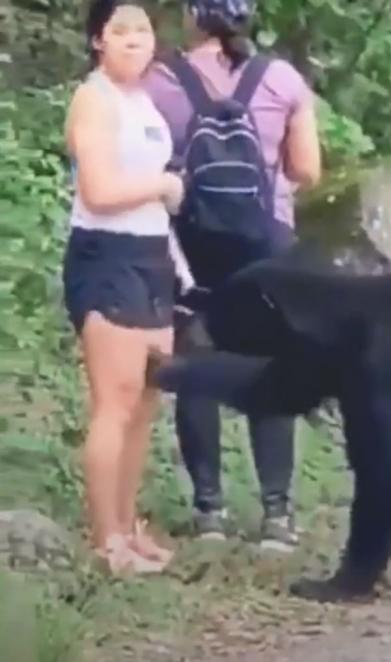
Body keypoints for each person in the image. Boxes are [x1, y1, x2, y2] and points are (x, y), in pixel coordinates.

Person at [143, 0, 321, 549]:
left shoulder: (159, 80)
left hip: (191, 245)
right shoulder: (282, 79)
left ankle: (209, 513)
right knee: (270, 368)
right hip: (267, 246)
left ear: (194, 17)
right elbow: (307, 171)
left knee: (196, 365)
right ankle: (276, 517)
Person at [63, 0, 187, 573]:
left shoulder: (144, 99)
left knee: (145, 399)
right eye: (121, 30)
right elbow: (99, 190)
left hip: (152, 253)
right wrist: (163, 184)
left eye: (142, 29)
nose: (135, 39)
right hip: (107, 255)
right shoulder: (95, 97)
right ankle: (105, 539)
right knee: (113, 401)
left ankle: (129, 526)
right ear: (98, 41)